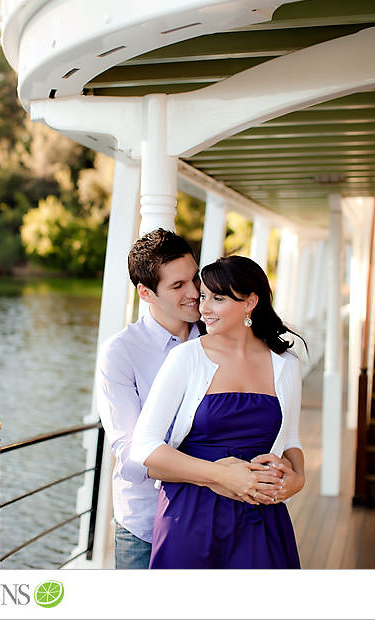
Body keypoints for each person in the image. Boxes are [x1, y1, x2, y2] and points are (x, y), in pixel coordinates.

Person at [97, 229, 288, 569]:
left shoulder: (220, 332)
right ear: (146, 293)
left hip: (229, 514)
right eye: (177, 286)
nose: (195, 293)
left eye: (194, 279)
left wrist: (281, 475)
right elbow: (132, 457)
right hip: (145, 521)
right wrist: (218, 473)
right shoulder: (121, 352)